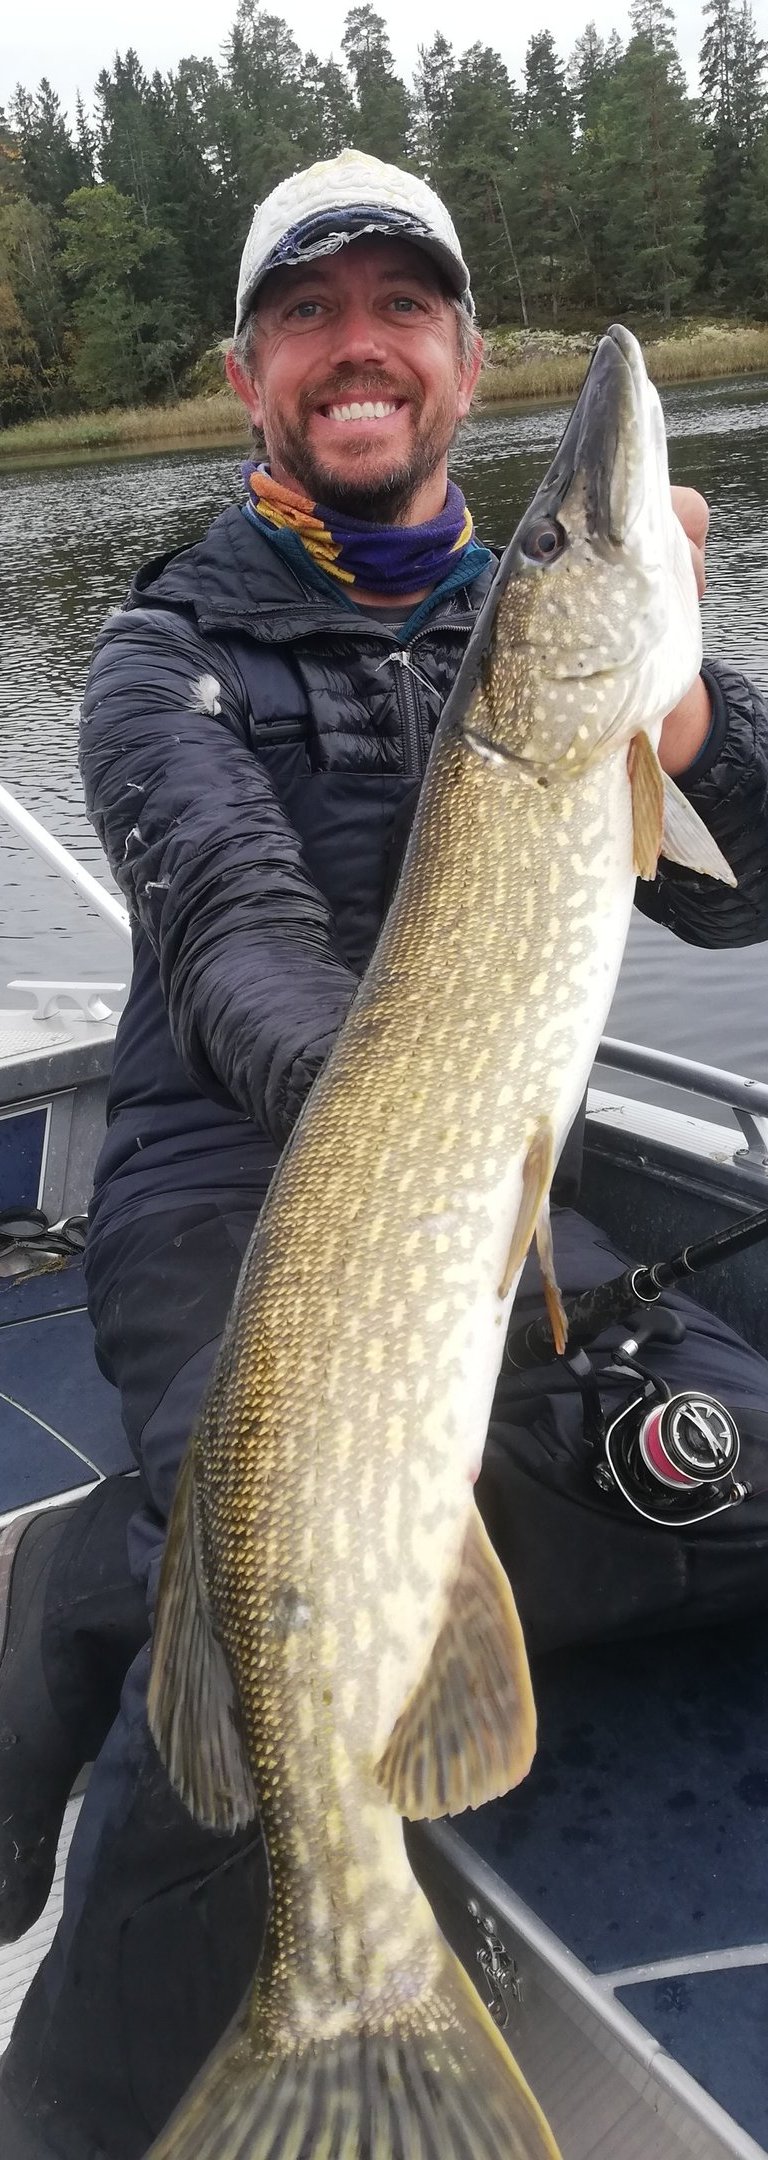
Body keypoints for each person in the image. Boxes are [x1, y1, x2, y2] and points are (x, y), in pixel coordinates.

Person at [3, 145, 768, 2160]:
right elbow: (244, 950)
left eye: (399, 309)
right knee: (259, 1659)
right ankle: (77, 2110)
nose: (358, 350)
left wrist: (675, 711)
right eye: (306, 319)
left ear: (459, 358)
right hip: (217, 1199)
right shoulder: (160, 655)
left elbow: (749, 881)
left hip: (472, 1206)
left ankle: (113, 1583)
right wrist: (416, 1099)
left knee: (721, 1483)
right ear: (250, 377)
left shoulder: (539, 655)